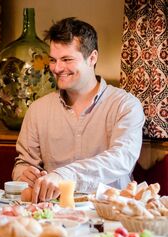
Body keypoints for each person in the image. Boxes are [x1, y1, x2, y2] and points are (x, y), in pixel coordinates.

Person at [12, 18, 145, 203]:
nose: (57, 68)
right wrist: (24, 175)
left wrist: (63, 176)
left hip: (110, 213)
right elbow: (23, 164)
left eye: (66, 59)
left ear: (92, 58)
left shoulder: (126, 105)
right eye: (53, 60)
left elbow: (121, 158)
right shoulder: (37, 110)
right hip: (53, 215)